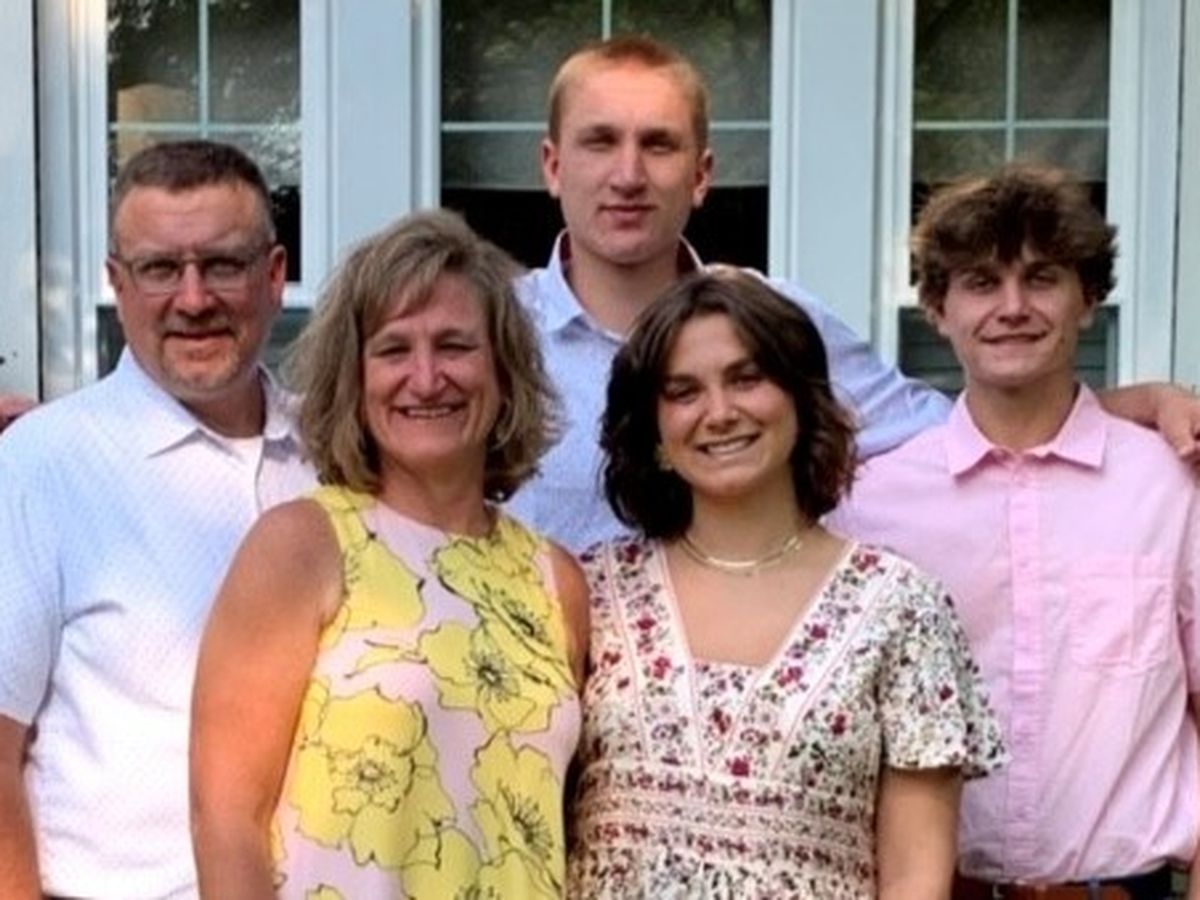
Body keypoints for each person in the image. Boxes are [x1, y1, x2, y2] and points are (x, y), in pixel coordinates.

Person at [506, 35, 1200, 554]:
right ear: (553, 165)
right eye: (600, 142)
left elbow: (965, 432)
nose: (628, 175)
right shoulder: (497, 333)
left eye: (658, 145)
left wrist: (1134, 406)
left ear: (702, 173)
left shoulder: (774, 325)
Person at [569, 266, 1005, 898]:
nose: (720, 413)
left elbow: (916, 876)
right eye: (684, 392)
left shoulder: (901, 607)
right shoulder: (589, 592)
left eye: (747, 379)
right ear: (653, 428)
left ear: (801, 399)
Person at [190, 209, 589, 899]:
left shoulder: (554, 581)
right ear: (355, 377)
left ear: (504, 372)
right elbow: (226, 820)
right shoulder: (302, 546)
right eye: (394, 350)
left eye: (455, 346)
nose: (426, 378)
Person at [829, 164, 1200, 899]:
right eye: (980, 282)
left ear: (1088, 298)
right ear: (936, 309)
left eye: (1041, 278)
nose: (1013, 307)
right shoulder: (869, 504)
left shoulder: (1169, 485)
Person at [0, 140, 313, 898]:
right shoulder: (44, 464)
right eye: (160, 269)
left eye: (223, 264)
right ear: (117, 283)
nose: (194, 299)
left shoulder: (333, 454)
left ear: (274, 276)